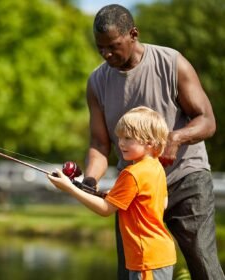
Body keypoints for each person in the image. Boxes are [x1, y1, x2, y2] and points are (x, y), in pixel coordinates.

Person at [81, 4, 224, 280]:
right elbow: (100, 144)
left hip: (186, 177)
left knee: (203, 265)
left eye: (113, 46)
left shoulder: (171, 63)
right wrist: (90, 181)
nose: (106, 54)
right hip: (134, 187)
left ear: (133, 34)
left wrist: (176, 138)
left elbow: (207, 120)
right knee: (132, 271)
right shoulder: (97, 82)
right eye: (100, 48)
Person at [49, 106, 176, 280]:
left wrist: (70, 188)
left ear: (149, 142)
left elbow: (105, 209)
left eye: (128, 138)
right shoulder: (156, 167)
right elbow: (162, 202)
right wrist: (119, 195)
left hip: (146, 259)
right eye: (120, 137)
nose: (121, 143)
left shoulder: (132, 173)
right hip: (160, 254)